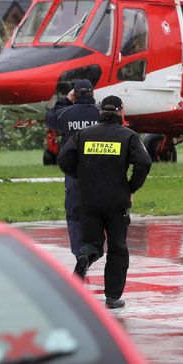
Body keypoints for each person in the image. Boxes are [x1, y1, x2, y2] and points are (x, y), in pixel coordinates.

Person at [57, 95, 152, 310]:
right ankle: (112, 297)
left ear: (101, 111)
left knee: (92, 243)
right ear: (121, 111)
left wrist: (81, 175)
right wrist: (131, 187)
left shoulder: (84, 134)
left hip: (89, 199)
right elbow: (144, 162)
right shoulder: (128, 136)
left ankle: (84, 257)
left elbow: (63, 159)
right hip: (117, 201)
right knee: (117, 247)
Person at [45, 79, 100, 259]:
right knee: (98, 213)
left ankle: (80, 253)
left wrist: (66, 101)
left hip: (74, 172)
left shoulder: (66, 113)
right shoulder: (100, 113)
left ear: (74, 94)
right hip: (100, 173)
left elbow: (50, 117)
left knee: (74, 214)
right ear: (92, 93)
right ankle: (94, 248)